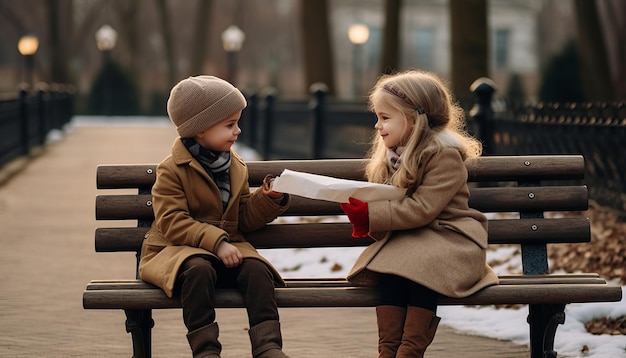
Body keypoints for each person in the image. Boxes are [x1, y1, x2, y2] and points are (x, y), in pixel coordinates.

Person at [340, 70, 499, 358]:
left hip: (451, 240)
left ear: (414, 119)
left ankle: (409, 352)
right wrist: (365, 212)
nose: (378, 126)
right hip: (414, 240)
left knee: (420, 269)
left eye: (385, 118)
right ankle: (388, 351)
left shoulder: (444, 155)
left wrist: (372, 216)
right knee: (392, 270)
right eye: (377, 117)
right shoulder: (392, 157)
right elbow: (391, 203)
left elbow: (423, 208)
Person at [139, 75, 291, 358]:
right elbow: (172, 221)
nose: (238, 131)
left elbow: (243, 219)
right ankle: (206, 350)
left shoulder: (236, 167)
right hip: (180, 252)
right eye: (229, 124)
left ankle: (268, 345)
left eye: (237, 122)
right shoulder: (172, 169)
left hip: (229, 252)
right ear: (200, 129)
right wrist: (218, 243)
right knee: (199, 270)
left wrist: (267, 200)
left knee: (258, 272)